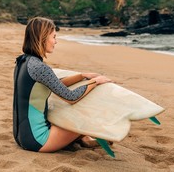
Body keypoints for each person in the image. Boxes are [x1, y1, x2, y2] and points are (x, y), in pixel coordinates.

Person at [13, 16, 111, 153]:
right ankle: (84, 138)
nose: (56, 42)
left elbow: (54, 84)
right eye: (54, 37)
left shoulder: (23, 61)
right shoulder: (39, 67)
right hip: (38, 140)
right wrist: (96, 82)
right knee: (84, 116)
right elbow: (71, 97)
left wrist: (81, 76)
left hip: (21, 136)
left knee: (65, 115)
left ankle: (84, 139)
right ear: (43, 37)